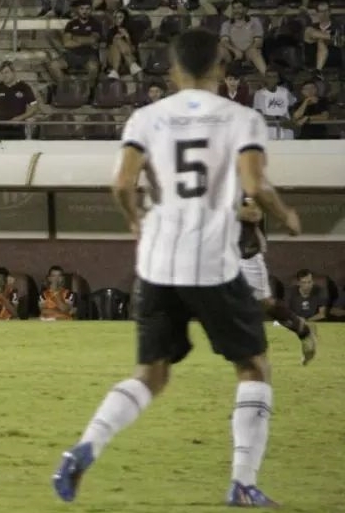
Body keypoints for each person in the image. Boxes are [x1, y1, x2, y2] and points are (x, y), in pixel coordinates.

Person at [51, 27, 302, 508]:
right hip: (212, 263)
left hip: (157, 262)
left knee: (151, 373)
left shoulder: (146, 118)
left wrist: (134, 221)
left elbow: (122, 183)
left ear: (172, 71)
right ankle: (242, 483)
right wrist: (284, 213)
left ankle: (85, 446)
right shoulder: (242, 118)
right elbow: (254, 182)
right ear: (221, 69)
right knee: (252, 366)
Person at [237, 195, 317, 365]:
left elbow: (254, 213)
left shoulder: (241, 182)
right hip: (218, 254)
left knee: (266, 304)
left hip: (246, 255)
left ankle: (303, 330)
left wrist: (221, 210)